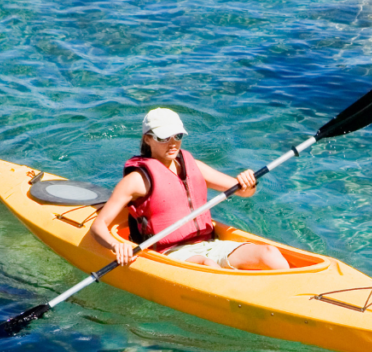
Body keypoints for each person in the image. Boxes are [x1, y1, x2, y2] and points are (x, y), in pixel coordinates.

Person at [91, 108, 290, 270]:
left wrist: (249, 183)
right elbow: (98, 226)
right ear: (147, 139)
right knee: (208, 265)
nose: (173, 143)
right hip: (170, 253)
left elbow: (244, 192)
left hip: (209, 244)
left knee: (269, 254)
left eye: (177, 136)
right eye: (163, 137)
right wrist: (117, 246)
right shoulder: (136, 180)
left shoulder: (193, 165)